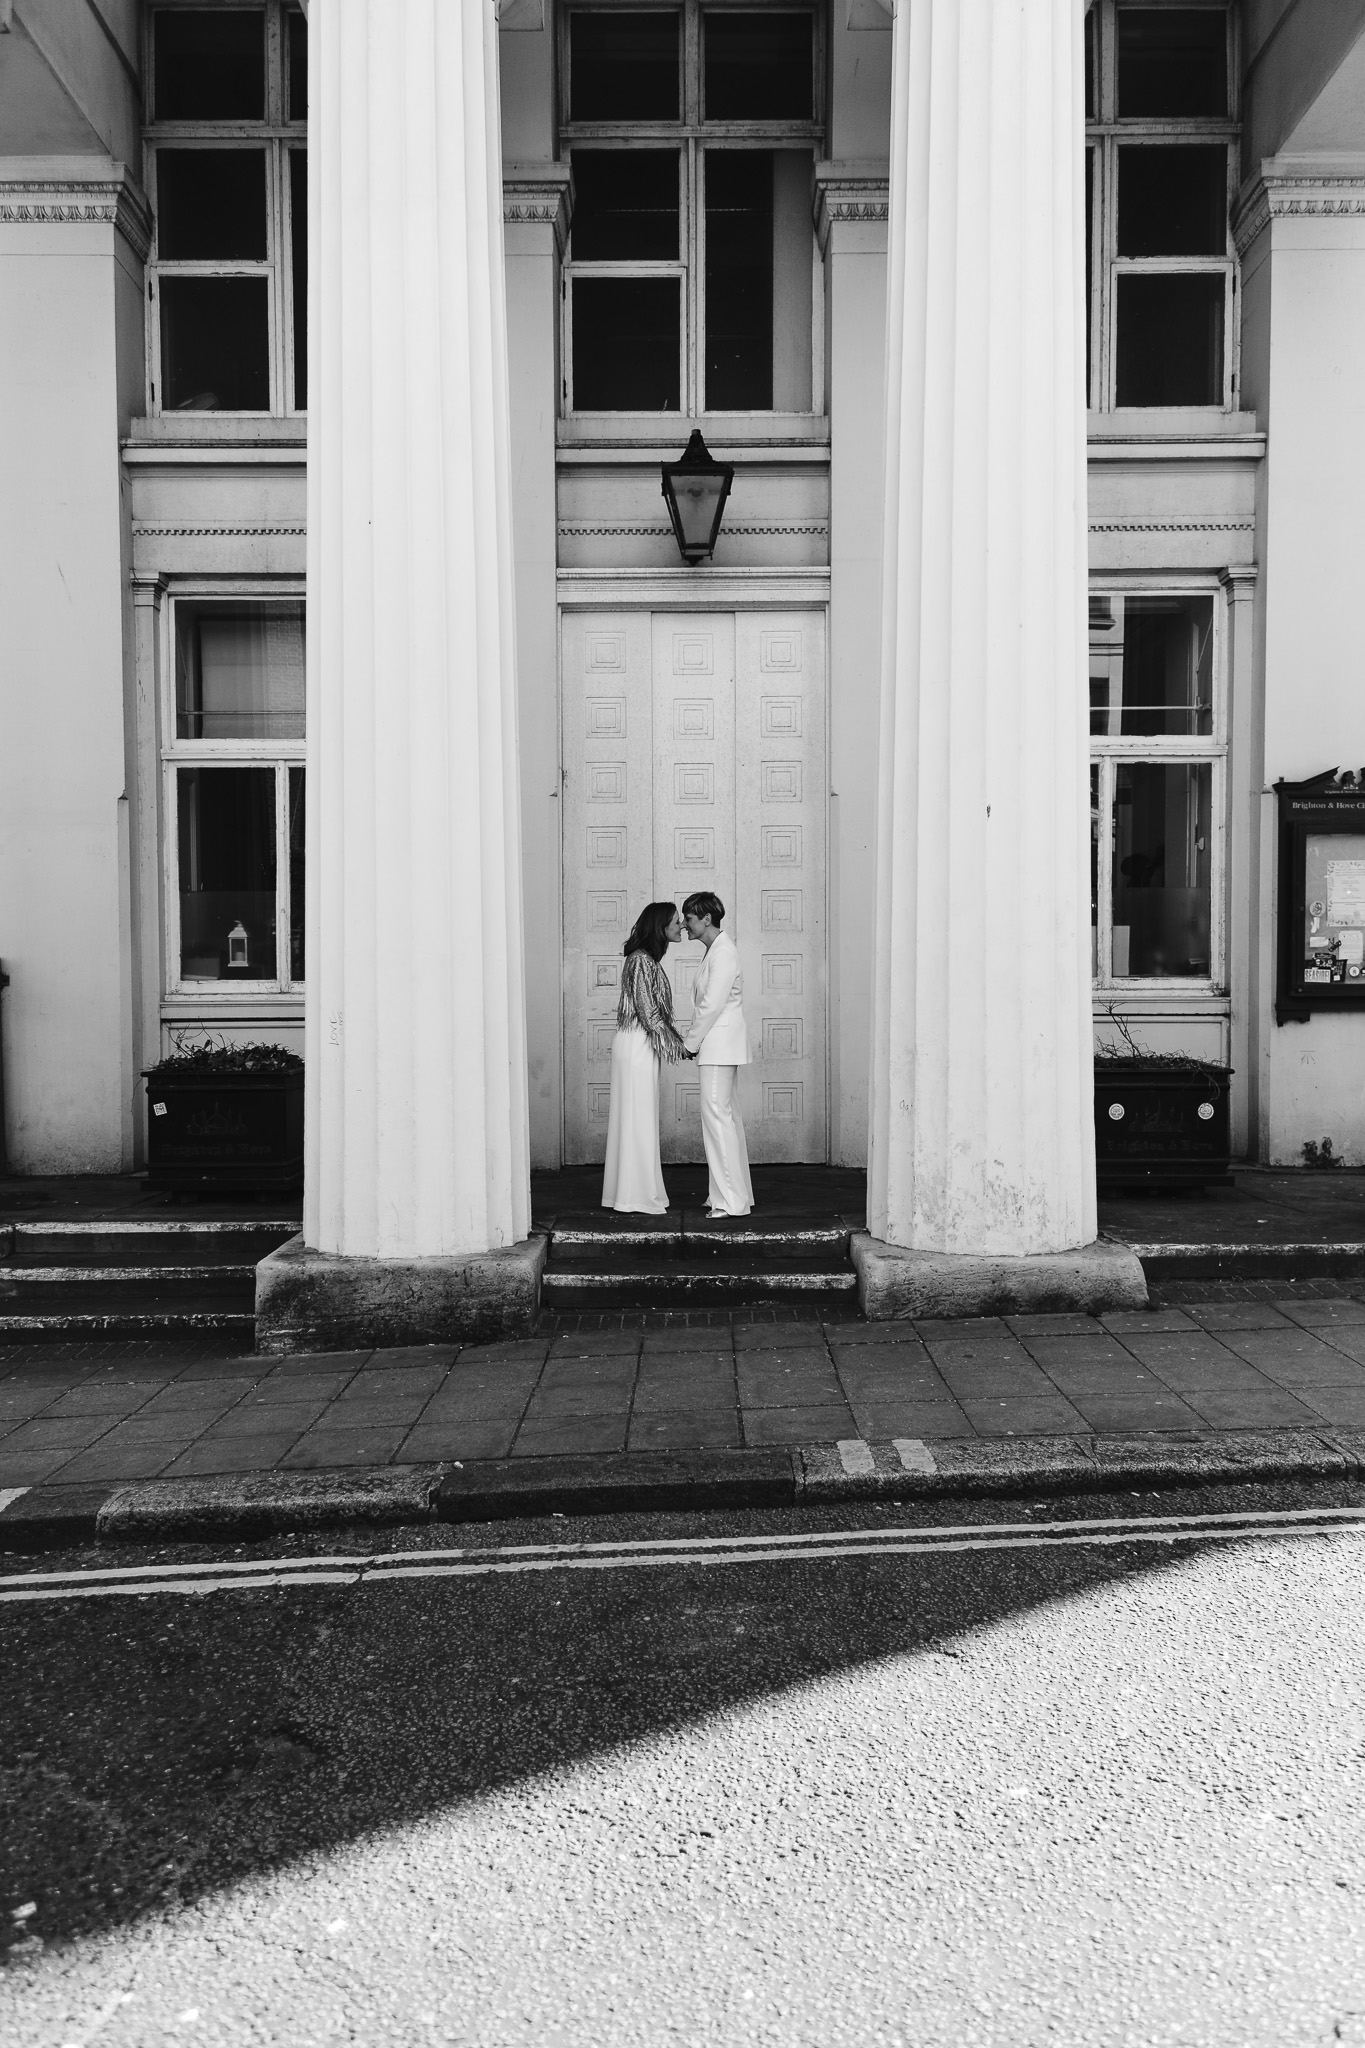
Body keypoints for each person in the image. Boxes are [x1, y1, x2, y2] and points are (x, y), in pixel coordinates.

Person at [601, 901, 686, 1215]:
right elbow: (648, 1012)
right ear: (661, 926)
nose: (682, 927)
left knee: (639, 1117)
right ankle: (633, 1196)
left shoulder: (646, 959)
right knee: (637, 1117)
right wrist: (679, 1045)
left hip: (641, 1043)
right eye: (676, 922)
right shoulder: (640, 961)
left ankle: (630, 1193)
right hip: (637, 1042)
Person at [680, 892, 754, 1219]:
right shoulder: (717, 950)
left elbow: (711, 1004)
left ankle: (729, 1202)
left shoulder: (723, 952)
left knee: (718, 1119)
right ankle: (729, 1195)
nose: (684, 925)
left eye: (690, 918)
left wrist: (690, 1042)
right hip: (721, 1044)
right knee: (726, 1119)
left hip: (718, 1044)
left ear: (707, 918)